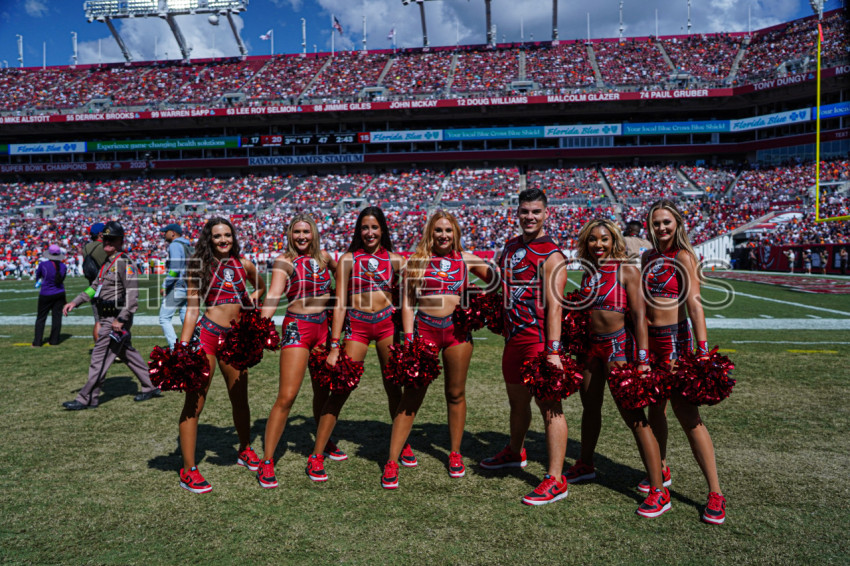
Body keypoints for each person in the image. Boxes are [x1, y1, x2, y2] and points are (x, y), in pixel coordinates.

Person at [562, 219, 668, 518]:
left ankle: (659, 490)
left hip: (618, 349)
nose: (598, 244)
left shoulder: (627, 270)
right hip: (590, 349)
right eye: (593, 239)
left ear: (614, 241)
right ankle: (585, 463)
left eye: (604, 239)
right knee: (589, 407)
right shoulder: (588, 272)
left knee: (634, 417)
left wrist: (643, 359)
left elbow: (639, 316)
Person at [381, 210, 494, 489]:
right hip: (425, 332)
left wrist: (478, 301)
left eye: (448, 230)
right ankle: (392, 460)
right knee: (412, 396)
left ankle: (455, 453)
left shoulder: (466, 259)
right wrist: (409, 339)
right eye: (438, 230)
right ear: (430, 233)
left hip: (457, 333)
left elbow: (495, 279)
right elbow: (408, 302)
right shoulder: (417, 261)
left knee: (455, 394)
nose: (443, 235)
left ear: (455, 233)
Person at [479, 188, 571, 506]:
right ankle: (515, 451)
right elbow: (501, 286)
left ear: (546, 214)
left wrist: (553, 351)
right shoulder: (509, 247)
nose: (529, 217)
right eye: (524, 211)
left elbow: (555, 307)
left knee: (550, 408)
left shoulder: (552, 254)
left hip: (539, 342)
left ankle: (556, 479)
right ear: (517, 213)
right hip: (513, 340)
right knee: (517, 404)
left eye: (535, 212)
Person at [641, 199, 727, 525]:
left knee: (688, 416)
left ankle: (715, 493)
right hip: (649, 345)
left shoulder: (684, 257)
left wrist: (702, 352)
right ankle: (660, 469)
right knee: (655, 410)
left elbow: (695, 305)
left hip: (675, 344)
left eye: (667, 222)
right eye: (656, 223)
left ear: (677, 223)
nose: (661, 228)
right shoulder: (648, 257)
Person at [309, 206, 406, 482]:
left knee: (394, 388)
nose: (370, 232)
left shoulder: (396, 260)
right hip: (357, 328)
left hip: (387, 326)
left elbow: (414, 288)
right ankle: (317, 454)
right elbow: (340, 304)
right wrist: (335, 344)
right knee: (340, 389)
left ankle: (401, 444)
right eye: (365, 227)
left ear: (383, 230)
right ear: (358, 231)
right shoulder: (348, 259)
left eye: (374, 227)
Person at [175, 217, 266, 494]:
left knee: (240, 398)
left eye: (228, 235)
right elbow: (192, 309)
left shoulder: (244, 265)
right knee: (195, 402)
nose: (223, 240)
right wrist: (183, 346)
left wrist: (252, 302)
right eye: (217, 236)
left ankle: (245, 449)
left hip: (235, 339)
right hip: (207, 336)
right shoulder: (198, 266)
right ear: (209, 239)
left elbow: (261, 286)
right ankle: (188, 470)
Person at [256, 215, 341, 489]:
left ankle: (322, 445)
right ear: (290, 235)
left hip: (323, 329)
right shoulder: (284, 261)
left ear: (313, 233)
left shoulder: (325, 258)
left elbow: (343, 277)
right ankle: (267, 460)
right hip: (297, 327)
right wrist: (261, 324)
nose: (302, 236)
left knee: (322, 391)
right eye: (297, 232)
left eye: (306, 231)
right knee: (287, 396)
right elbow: (273, 294)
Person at [61, 222, 161, 410]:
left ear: (120, 241)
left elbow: (132, 295)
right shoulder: (108, 263)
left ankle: (86, 398)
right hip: (107, 315)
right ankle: (151, 385)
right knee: (126, 352)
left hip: (116, 317)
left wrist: (121, 319)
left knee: (100, 357)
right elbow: (94, 287)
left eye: (112, 239)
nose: (107, 242)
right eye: (105, 238)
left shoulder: (124, 263)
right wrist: (75, 302)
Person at [159, 223, 192, 348]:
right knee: (185, 314)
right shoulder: (187, 245)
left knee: (164, 318)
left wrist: (165, 284)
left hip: (179, 285)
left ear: (172, 233)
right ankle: (192, 343)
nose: (164, 234)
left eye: (166, 232)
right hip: (189, 285)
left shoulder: (175, 245)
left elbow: (175, 269)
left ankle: (174, 348)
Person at [32, 244, 67, 347]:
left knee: (41, 318)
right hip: (59, 293)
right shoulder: (63, 266)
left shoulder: (43, 265)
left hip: (46, 293)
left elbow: (38, 276)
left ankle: (37, 342)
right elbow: (62, 279)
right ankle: (54, 340)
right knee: (57, 318)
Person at [81, 222, 107, 343]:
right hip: (106, 285)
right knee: (112, 318)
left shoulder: (86, 247)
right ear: (101, 234)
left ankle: (99, 348)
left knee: (97, 319)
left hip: (92, 285)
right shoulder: (105, 247)